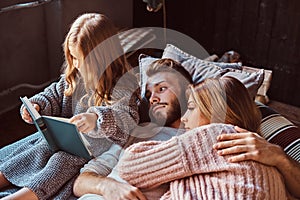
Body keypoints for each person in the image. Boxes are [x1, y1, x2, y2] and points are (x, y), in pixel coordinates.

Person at [74, 58, 300, 199]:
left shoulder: (236, 142)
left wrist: (281, 158)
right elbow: (81, 181)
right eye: (149, 93)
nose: (152, 99)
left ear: (188, 93)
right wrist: (107, 188)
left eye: (162, 88)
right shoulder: (138, 131)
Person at [0, 13, 139, 199]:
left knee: (61, 163)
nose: (74, 64)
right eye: (72, 57)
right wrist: (37, 105)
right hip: (63, 140)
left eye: (80, 59)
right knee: (34, 149)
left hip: (88, 151)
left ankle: (23, 196)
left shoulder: (123, 86)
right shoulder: (75, 77)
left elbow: (126, 118)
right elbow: (54, 94)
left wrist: (96, 118)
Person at [118, 76, 287, 199]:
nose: (184, 119)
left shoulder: (216, 135)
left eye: (191, 108)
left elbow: (129, 166)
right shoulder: (263, 154)